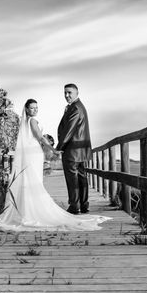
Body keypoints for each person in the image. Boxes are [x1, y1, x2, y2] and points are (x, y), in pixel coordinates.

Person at [0, 99, 108, 232]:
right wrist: (53, 149)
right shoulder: (32, 121)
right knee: (34, 180)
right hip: (34, 153)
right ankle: (33, 210)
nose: (35, 110)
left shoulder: (25, 122)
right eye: (32, 108)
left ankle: (27, 208)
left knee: (30, 180)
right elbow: (40, 138)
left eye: (36, 107)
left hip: (32, 153)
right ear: (26, 109)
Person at [56, 83, 91, 214]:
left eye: (69, 92)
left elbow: (68, 130)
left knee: (72, 179)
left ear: (77, 93)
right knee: (81, 178)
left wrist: (59, 147)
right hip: (80, 151)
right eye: (65, 92)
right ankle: (84, 205)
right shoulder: (79, 106)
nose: (66, 95)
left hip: (72, 150)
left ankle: (74, 207)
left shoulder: (75, 108)